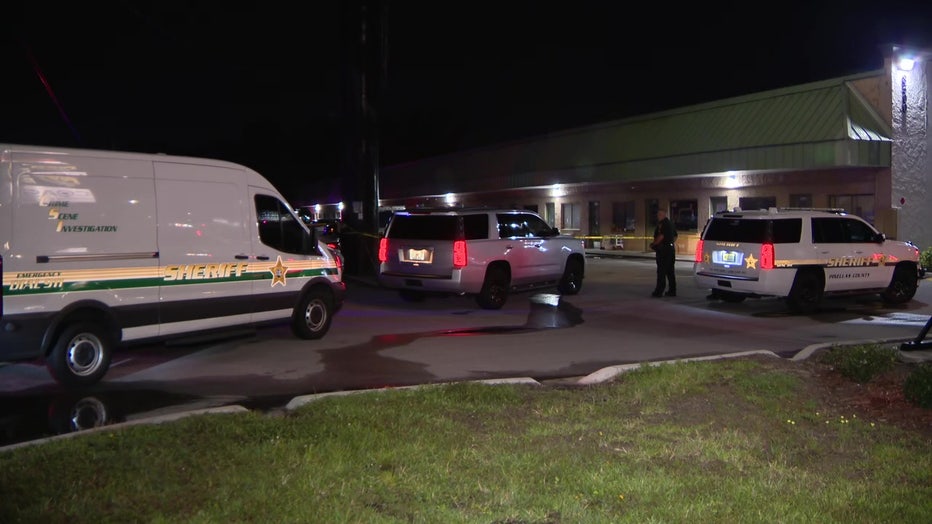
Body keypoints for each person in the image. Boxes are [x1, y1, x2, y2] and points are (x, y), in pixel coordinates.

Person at [650, 208, 677, 297]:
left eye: (659, 215)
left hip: (664, 251)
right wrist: (670, 243)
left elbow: (661, 236)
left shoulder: (663, 224)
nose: (658, 216)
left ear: (664, 214)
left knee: (661, 271)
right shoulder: (671, 223)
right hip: (670, 250)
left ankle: (659, 291)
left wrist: (654, 244)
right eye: (658, 215)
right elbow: (675, 236)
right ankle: (672, 291)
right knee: (670, 271)